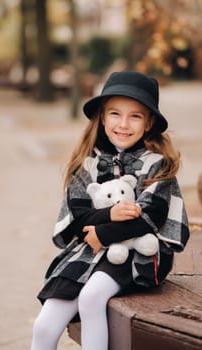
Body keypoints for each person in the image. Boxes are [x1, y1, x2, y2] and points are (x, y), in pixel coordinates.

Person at [30, 71, 189, 350]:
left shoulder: (157, 164)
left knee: (92, 297)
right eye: (115, 114)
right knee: (44, 326)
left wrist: (103, 232)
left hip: (139, 251)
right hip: (89, 251)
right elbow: (77, 217)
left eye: (135, 116)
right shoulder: (87, 164)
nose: (123, 124)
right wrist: (108, 216)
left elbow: (152, 216)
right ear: (103, 117)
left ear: (149, 122)